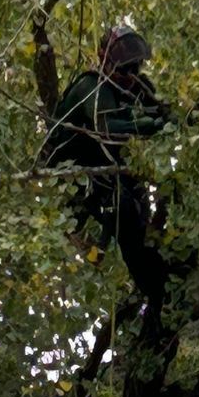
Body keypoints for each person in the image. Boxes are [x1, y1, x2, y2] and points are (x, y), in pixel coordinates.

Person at [44, 28, 171, 254]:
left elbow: (161, 113)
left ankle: (143, 249)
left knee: (137, 204)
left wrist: (172, 118)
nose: (131, 74)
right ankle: (90, 241)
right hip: (74, 164)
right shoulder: (92, 85)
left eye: (136, 66)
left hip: (108, 162)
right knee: (119, 203)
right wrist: (150, 125)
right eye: (125, 68)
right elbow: (107, 129)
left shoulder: (139, 87)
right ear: (105, 60)